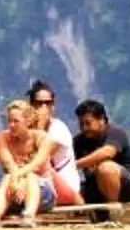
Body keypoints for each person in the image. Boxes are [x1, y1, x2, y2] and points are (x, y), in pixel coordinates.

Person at [0, 99, 52, 225]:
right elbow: (10, 165)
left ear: (28, 121)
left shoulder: (41, 138)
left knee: (31, 176)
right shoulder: (3, 138)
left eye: (16, 121)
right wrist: (15, 184)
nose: (11, 125)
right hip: (14, 192)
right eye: (9, 121)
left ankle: (29, 215)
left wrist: (17, 182)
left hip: (42, 192)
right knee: (7, 176)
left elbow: (36, 164)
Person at [25, 80, 85, 210]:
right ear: (31, 105)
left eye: (48, 103)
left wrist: (39, 127)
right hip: (37, 183)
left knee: (38, 168)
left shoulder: (58, 129)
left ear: (54, 105)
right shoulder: (25, 129)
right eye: (39, 103)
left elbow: (39, 159)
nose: (44, 107)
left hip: (64, 186)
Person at [71, 99, 130, 204]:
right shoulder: (79, 141)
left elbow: (108, 152)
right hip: (95, 188)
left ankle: (112, 210)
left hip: (125, 189)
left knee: (106, 168)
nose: (84, 128)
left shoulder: (116, 133)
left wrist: (76, 165)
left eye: (88, 123)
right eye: (81, 124)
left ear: (101, 119)